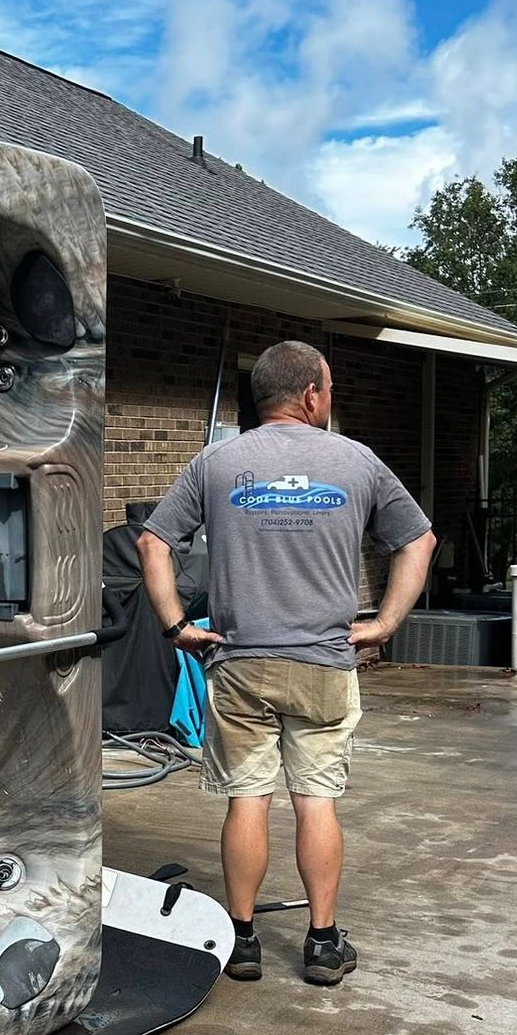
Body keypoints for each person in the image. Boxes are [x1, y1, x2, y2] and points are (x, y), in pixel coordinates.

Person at [137, 340, 436, 986]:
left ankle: (241, 941)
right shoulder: (357, 461)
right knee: (315, 802)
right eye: (330, 389)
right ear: (311, 394)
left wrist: (177, 626)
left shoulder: (216, 461)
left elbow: (153, 542)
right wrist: (385, 623)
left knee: (247, 800)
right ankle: (322, 944)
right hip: (325, 663)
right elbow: (419, 539)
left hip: (240, 664)